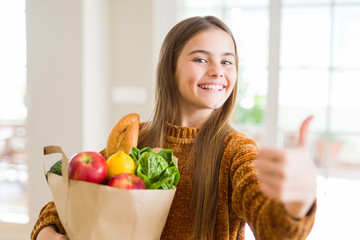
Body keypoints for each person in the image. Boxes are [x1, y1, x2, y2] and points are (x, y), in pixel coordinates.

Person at [31, 16, 317, 240]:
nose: (218, 70)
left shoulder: (237, 152)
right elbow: (71, 200)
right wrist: (46, 231)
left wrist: (297, 205)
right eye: (201, 59)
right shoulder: (135, 139)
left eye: (227, 61)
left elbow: (274, 229)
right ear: (170, 69)